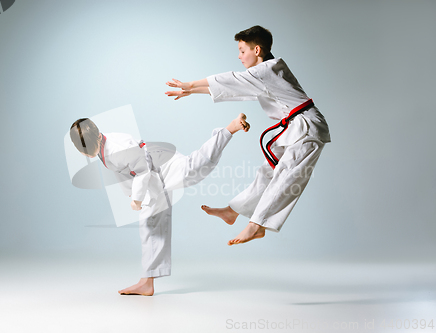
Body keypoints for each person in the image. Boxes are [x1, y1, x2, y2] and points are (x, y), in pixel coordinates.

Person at [165, 25, 331, 246]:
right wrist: (191, 90)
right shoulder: (267, 71)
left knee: (287, 175)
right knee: (267, 173)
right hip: (294, 128)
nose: (239, 55)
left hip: (308, 128)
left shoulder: (267, 71)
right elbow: (235, 87)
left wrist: (191, 85)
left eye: (242, 50)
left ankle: (257, 225)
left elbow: (231, 80)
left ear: (257, 50)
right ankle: (233, 211)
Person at [69, 113, 250, 296]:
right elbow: (122, 170)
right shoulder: (103, 147)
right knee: (149, 224)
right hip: (152, 180)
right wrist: (131, 194)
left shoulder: (116, 149)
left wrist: (137, 199)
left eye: (89, 149)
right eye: (84, 151)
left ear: (99, 136)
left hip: (162, 165)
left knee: (195, 167)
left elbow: (141, 168)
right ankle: (147, 282)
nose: (87, 154)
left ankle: (229, 129)